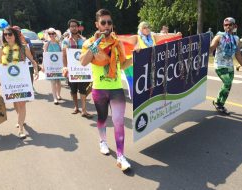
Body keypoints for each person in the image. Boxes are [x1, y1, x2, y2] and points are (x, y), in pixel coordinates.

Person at [80, 9, 133, 171]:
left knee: (118, 122)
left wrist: (133, 59)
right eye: (103, 22)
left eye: (109, 22)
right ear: (97, 24)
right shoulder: (89, 43)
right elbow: (83, 61)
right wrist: (96, 44)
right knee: (102, 118)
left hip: (116, 88)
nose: (107, 25)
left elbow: (122, 65)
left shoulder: (117, 43)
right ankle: (102, 141)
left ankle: (120, 156)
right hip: (99, 89)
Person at [0, 26, 39, 139]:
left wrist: (36, 70)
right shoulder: (1, 49)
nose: (7, 36)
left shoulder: (23, 48)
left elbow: (33, 61)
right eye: (5, 34)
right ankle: (20, 119)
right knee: (15, 102)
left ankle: (21, 128)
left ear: (15, 35)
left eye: (10, 34)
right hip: (9, 82)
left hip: (22, 81)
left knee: (22, 103)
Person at [210, 17, 242, 115]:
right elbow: (211, 49)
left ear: (234, 26)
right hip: (219, 65)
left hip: (230, 66)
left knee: (228, 85)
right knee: (227, 82)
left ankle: (220, 103)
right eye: (225, 25)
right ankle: (218, 103)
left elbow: (238, 54)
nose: (228, 26)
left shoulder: (236, 39)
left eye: (230, 25)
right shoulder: (219, 36)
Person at [62, 19, 93, 118]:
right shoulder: (66, 41)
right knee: (73, 89)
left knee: (83, 88)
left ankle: (84, 110)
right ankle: (76, 107)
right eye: (71, 26)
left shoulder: (84, 40)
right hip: (71, 70)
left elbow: (89, 52)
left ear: (78, 27)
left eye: (75, 26)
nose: (74, 27)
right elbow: (64, 55)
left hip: (83, 68)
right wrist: (65, 67)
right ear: (69, 27)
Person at [117, 21, 182, 50]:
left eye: (148, 27)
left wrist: (176, 35)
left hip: (152, 63)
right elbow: (124, 38)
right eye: (144, 28)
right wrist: (114, 37)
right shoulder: (137, 38)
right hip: (141, 66)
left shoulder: (153, 37)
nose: (147, 29)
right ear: (141, 30)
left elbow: (165, 36)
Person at [42, 27, 62, 105]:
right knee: (53, 82)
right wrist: (43, 66)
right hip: (50, 66)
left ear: (55, 34)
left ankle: (58, 94)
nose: (51, 35)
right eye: (49, 34)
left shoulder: (59, 43)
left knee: (58, 81)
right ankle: (55, 98)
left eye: (53, 33)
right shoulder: (47, 44)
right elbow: (45, 56)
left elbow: (62, 54)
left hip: (59, 66)